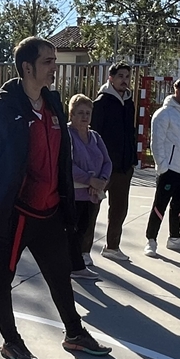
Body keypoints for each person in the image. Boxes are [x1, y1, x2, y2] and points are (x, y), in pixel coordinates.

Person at [0, 36, 111, 359]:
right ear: (27, 67)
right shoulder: (3, 113)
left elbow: (61, 158)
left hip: (50, 213)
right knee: (3, 279)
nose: (54, 68)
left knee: (60, 275)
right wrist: (6, 198)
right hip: (16, 217)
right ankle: (11, 341)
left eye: (54, 60)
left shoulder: (54, 107)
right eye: (48, 61)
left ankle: (74, 333)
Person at [144, 76, 180, 257]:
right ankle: (151, 240)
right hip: (169, 171)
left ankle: (174, 238)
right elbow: (156, 143)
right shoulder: (163, 114)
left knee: (179, 206)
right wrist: (163, 167)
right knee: (160, 205)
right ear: (177, 90)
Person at [90, 63, 137, 263]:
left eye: (127, 76)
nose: (124, 80)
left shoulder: (129, 103)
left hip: (124, 167)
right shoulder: (101, 102)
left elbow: (130, 134)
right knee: (92, 209)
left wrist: (131, 160)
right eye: (120, 76)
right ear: (110, 78)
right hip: (103, 168)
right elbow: (94, 134)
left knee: (119, 208)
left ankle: (112, 247)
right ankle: (83, 252)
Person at [66, 93, 111, 279]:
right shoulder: (66, 135)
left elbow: (107, 162)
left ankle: (76, 264)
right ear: (71, 115)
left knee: (84, 230)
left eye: (88, 113)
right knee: (72, 232)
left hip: (93, 194)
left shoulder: (95, 136)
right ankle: (74, 266)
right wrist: (89, 180)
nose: (85, 117)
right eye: (80, 113)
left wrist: (101, 180)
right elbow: (66, 164)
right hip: (74, 194)